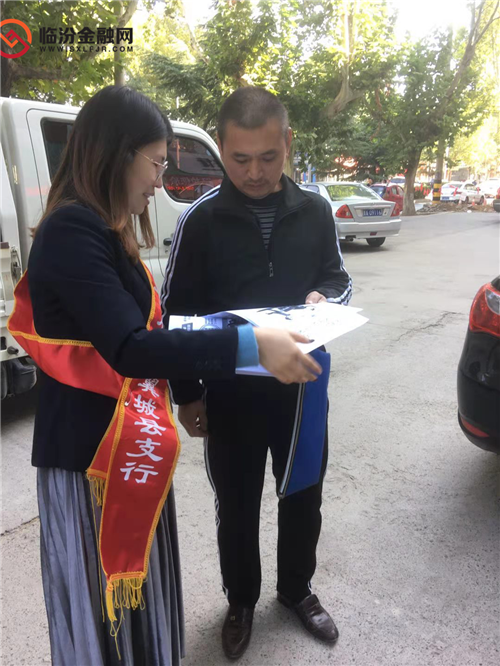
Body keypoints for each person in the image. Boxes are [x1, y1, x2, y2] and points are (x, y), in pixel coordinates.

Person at [8, 86, 322, 666]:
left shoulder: (102, 225)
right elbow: (133, 346)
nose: (159, 182)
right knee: (106, 611)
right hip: (92, 457)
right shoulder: (73, 230)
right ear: (118, 153)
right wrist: (250, 344)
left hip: (127, 446)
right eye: (156, 163)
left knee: (138, 608)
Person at [162, 87, 352, 660]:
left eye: (268, 157)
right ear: (221, 147)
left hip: (302, 388)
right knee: (237, 506)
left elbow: (338, 278)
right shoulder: (201, 220)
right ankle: (240, 600)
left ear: (287, 143)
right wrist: (187, 394)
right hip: (231, 394)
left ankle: (296, 590)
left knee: (303, 496)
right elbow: (176, 314)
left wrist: (327, 298)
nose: (253, 172)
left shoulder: (314, 211)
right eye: (239, 158)